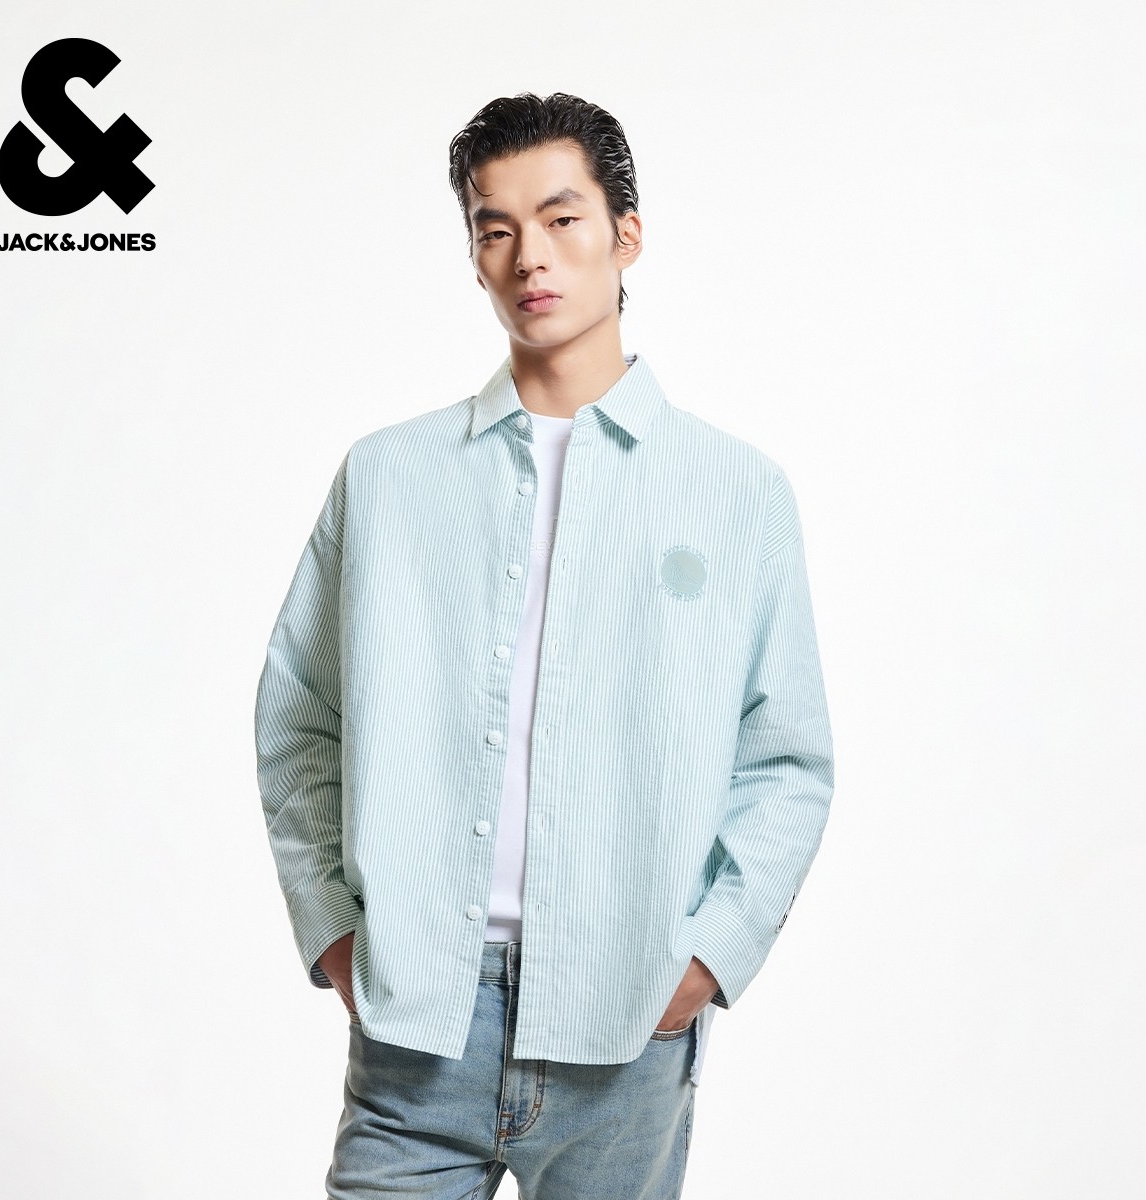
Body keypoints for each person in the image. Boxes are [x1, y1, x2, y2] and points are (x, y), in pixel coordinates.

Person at [255, 91, 834, 1199]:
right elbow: (298, 716)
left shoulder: (737, 493)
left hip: (627, 1028)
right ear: (475, 255)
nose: (530, 256)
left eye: (562, 219)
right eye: (496, 227)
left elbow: (788, 759)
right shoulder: (388, 478)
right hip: (418, 1024)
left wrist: (708, 957)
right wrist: (332, 930)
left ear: (626, 234)